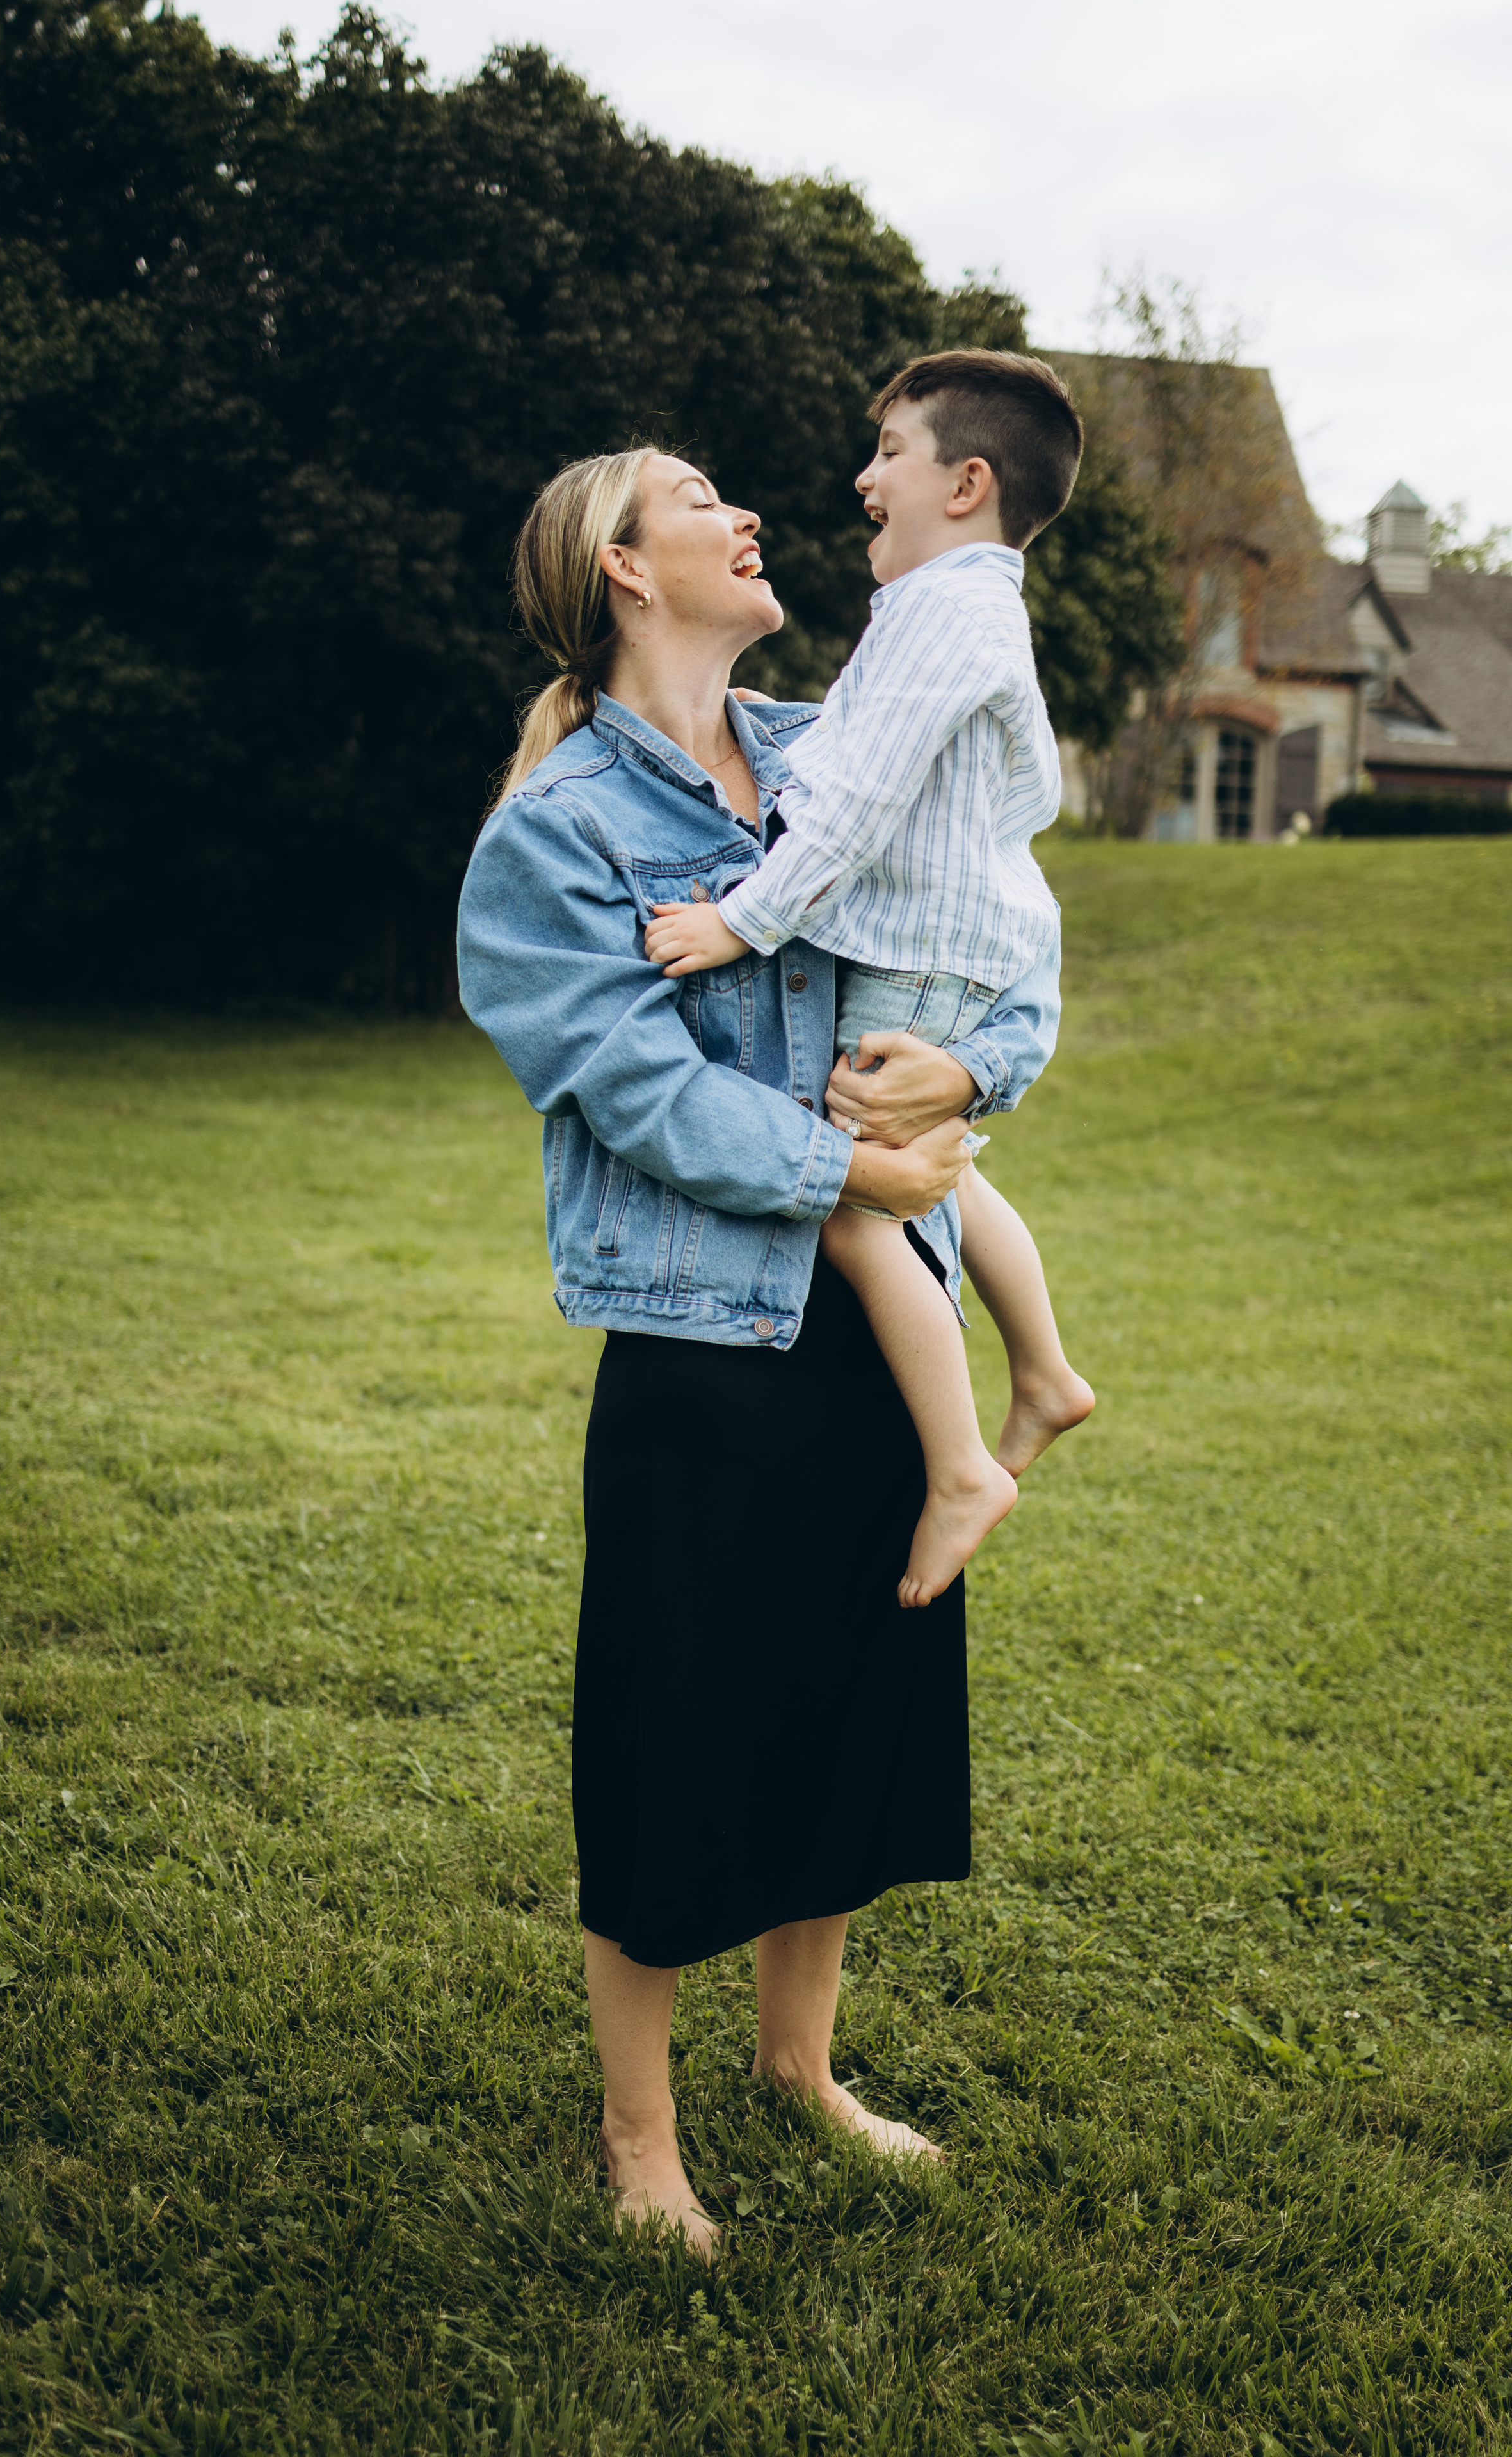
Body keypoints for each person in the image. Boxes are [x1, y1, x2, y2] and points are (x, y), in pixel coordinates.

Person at [456, 445, 1052, 2260]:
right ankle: (644, 2141)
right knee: (672, 1731)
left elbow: (998, 926)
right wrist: (859, 1167)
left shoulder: (837, 746)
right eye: (700, 498)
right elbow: (630, 1090)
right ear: (627, 571)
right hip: (709, 1338)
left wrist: (981, 1068)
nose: (749, 516)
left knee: (847, 1705)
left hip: (883, 1324)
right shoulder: (555, 831)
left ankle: (802, 2066)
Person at [645, 351, 1096, 1609]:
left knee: (857, 1204)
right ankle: (1047, 1376)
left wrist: (738, 922)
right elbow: (1012, 794)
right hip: (942, 947)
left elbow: (853, 805)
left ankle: (960, 1464)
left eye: (887, 451)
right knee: (944, 1166)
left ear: (964, 483)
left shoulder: (947, 614)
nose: (861, 476)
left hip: (916, 958)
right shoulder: (955, 611)